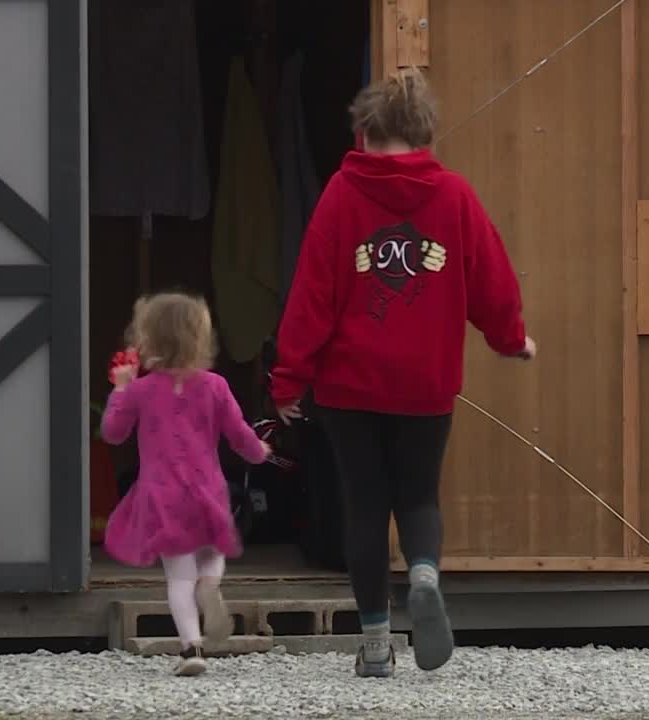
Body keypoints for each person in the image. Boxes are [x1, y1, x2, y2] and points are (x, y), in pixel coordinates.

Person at [271, 68, 535, 678]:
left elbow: (313, 293)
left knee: (364, 505)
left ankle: (373, 645)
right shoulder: (455, 196)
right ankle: (423, 572)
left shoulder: (341, 194)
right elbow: (492, 282)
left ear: (363, 131)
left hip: (348, 384)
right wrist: (511, 339)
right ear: (426, 134)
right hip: (425, 381)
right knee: (418, 496)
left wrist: (289, 379)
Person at [101, 292, 272, 677]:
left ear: (148, 340)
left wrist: (121, 388)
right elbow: (240, 437)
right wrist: (260, 452)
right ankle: (210, 586)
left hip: (162, 496)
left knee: (178, 578)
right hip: (208, 491)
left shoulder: (142, 391)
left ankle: (191, 648)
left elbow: (113, 434)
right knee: (211, 555)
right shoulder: (216, 386)